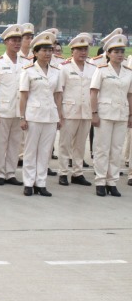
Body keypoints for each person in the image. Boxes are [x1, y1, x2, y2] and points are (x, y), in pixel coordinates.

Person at [19, 31, 63, 197]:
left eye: (50, 50)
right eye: (43, 50)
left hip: (50, 115)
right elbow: (23, 95)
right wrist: (22, 117)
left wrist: (59, 115)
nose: (47, 53)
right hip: (33, 115)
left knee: (45, 151)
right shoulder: (28, 70)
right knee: (31, 151)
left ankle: (41, 183)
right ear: (35, 53)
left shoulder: (56, 71)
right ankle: (29, 183)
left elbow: (58, 95)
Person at [90, 33, 132, 197]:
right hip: (105, 114)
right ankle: (100, 181)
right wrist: (94, 113)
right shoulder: (101, 70)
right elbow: (94, 93)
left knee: (116, 149)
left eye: (122, 51)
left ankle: (112, 181)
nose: (120, 54)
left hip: (121, 114)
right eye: (116, 51)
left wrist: (130, 115)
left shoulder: (128, 72)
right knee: (102, 149)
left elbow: (130, 94)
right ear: (108, 53)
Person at [0, 24, 29, 186]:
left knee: (15, 143)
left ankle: (10, 173)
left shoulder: (26, 63)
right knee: (0, 143)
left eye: (19, 40)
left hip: (19, 110)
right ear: (5, 42)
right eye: (13, 40)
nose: (17, 43)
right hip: (3, 109)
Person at [57, 33, 96, 187]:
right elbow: (60, 91)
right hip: (69, 111)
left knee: (80, 144)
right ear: (72, 51)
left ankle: (77, 173)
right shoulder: (64, 68)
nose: (83, 52)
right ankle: (63, 172)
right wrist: (59, 112)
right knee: (65, 144)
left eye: (85, 49)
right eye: (79, 49)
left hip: (86, 111)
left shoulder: (93, 68)